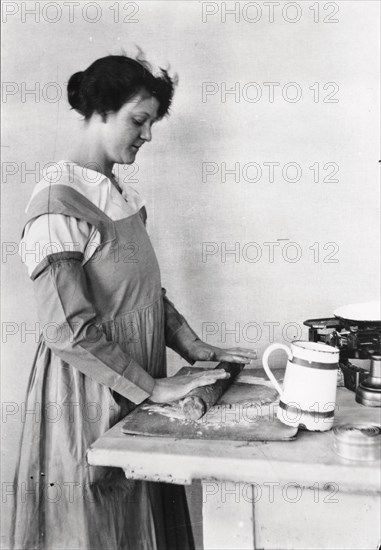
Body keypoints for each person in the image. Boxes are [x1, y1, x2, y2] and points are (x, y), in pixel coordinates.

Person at [11, 53, 256, 549]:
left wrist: (195, 347)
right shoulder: (60, 202)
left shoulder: (118, 194)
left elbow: (145, 296)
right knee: (98, 526)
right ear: (102, 111)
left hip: (138, 381)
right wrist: (153, 389)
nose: (147, 135)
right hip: (87, 395)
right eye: (138, 120)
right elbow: (68, 331)